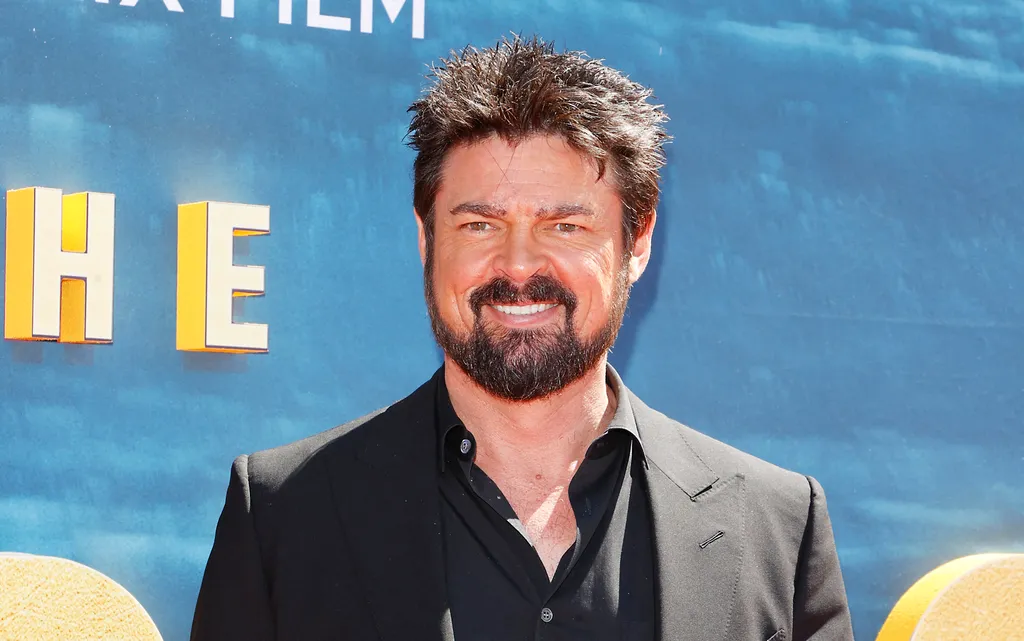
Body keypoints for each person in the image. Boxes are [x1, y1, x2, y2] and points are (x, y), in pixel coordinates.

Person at [190, 35, 854, 641]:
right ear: (427, 238)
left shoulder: (777, 527)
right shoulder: (284, 516)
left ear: (638, 242)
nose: (517, 266)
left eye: (565, 226)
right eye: (480, 225)